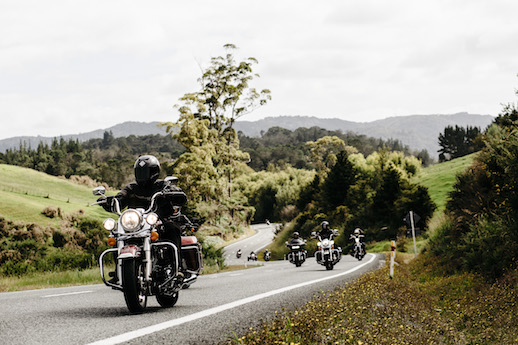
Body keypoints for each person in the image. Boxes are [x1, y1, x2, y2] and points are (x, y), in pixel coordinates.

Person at [100, 155, 192, 280]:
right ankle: (120, 271)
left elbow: (177, 193)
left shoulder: (162, 185)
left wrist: (173, 192)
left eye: (146, 171)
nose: (143, 175)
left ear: (154, 172)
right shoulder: (131, 188)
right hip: (137, 225)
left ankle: (178, 268)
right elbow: (119, 199)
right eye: (140, 171)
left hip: (158, 222)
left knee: (172, 228)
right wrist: (107, 201)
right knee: (117, 236)